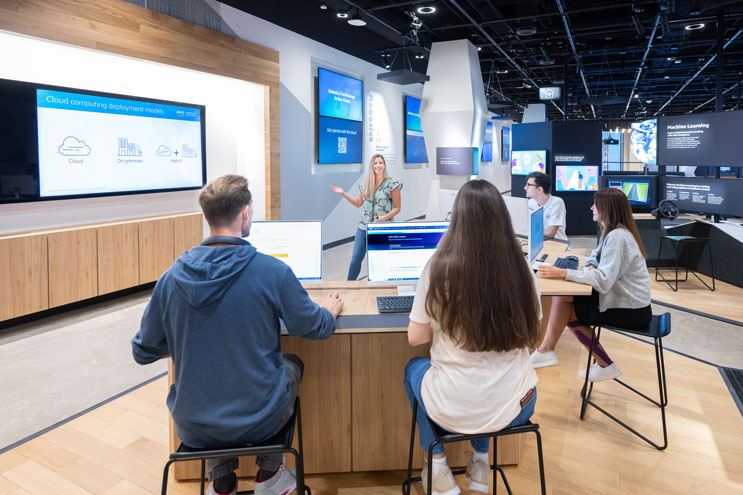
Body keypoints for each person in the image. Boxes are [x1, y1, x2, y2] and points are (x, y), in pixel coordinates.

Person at [131, 175, 344, 495]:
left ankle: (222, 482)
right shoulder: (272, 271)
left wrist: (184, 341)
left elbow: (142, 351)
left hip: (194, 426)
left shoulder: (171, 277)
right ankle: (270, 475)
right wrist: (329, 310)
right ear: (245, 213)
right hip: (259, 419)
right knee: (290, 364)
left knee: (213, 376)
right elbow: (312, 327)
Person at [403, 180, 541, 495]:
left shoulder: (437, 268)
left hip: (452, 406)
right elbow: (533, 337)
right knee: (491, 380)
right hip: (516, 407)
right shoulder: (523, 270)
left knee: (414, 369)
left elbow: (416, 338)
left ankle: (437, 463)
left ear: (457, 219)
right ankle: (480, 460)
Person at [533, 187, 651, 381]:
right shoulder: (612, 231)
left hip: (631, 309)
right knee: (563, 297)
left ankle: (604, 364)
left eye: (596, 204)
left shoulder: (617, 237)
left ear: (607, 209)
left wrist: (563, 272)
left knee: (569, 310)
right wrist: (588, 266)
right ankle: (546, 350)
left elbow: (603, 281)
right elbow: (595, 256)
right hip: (625, 300)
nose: (591, 208)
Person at [329, 154, 402, 280]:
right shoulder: (365, 183)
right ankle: (349, 285)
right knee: (356, 257)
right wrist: (343, 194)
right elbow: (358, 203)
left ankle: (382, 285)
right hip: (364, 227)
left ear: (384, 165)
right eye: (375, 163)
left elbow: (397, 208)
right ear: (371, 166)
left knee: (381, 261)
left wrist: (384, 218)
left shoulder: (392, 183)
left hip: (383, 229)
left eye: (380, 163)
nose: (378, 165)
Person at [524, 171, 567, 240]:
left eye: (528, 185)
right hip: (536, 241)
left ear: (539, 189)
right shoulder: (530, 203)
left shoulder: (557, 202)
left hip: (557, 243)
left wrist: (527, 230)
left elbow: (550, 233)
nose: (525, 188)